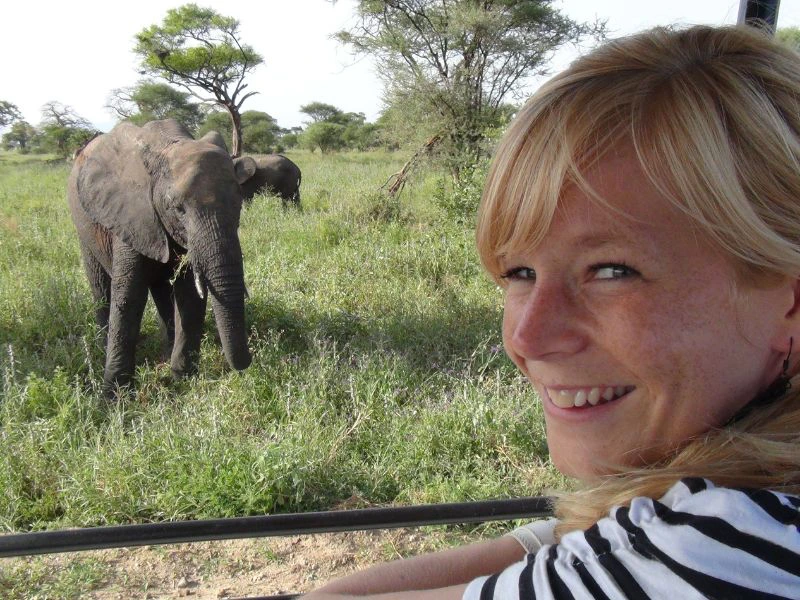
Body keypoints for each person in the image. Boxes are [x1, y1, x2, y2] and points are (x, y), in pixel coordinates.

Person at [305, 24, 800, 599]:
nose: (528, 336)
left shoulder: (717, 548)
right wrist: (588, 529)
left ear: (790, 302)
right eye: (518, 272)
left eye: (612, 270)